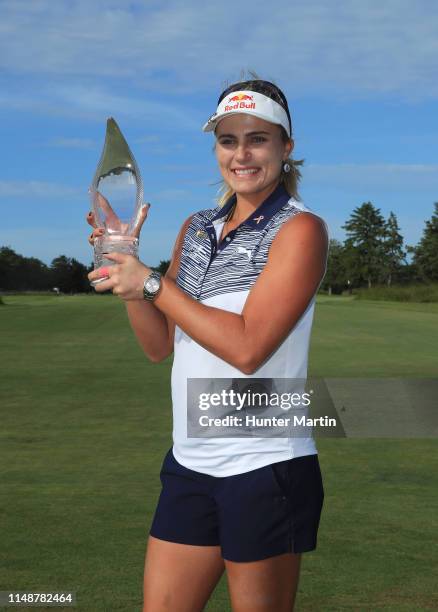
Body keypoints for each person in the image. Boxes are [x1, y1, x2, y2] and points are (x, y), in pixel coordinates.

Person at [87, 78, 329, 612]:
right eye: (228, 140)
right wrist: (124, 264)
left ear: (286, 147)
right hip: (190, 464)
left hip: (266, 467)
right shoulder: (196, 228)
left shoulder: (300, 230)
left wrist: (154, 284)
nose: (241, 154)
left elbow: (248, 349)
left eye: (258, 139)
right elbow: (159, 345)